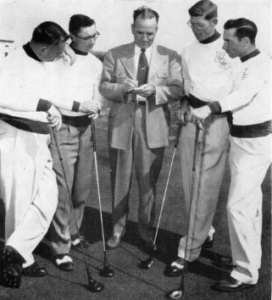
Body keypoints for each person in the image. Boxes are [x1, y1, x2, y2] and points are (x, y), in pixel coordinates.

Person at [0, 21, 95, 289]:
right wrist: (43, 105)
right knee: (19, 202)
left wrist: (78, 105)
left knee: (47, 199)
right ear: (42, 47)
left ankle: (15, 251)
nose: (61, 55)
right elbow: (2, 95)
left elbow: (54, 94)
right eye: (58, 50)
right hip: (15, 137)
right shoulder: (14, 61)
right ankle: (20, 262)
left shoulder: (46, 59)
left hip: (39, 138)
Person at [191, 18, 271, 292]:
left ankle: (246, 273)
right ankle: (250, 264)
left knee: (237, 206)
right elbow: (226, 90)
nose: (223, 44)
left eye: (228, 40)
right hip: (239, 139)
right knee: (249, 206)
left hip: (256, 142)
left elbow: (243, 96)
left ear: (245, 41)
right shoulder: (240, 63)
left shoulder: (260, 64)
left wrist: (209, 108)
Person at [99, 6, 183, 251]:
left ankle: (146, 232)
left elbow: (178, 89)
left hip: (154, 127)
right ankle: (117, 229)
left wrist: (156, 90)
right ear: (132, 29)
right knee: (119, 182)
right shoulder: (115, 54)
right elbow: (104, 87)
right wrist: (122, 88)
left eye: (150, 33)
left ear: (157, 30)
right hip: (122, 125)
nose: (145, 38)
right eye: (140, 33)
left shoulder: (170, 56)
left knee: (148, 184)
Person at [165, 0, 239, 277]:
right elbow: (186, 87)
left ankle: (189, 249)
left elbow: (237, 92)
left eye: (200, 24)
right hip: (190, 121)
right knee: (189, 182)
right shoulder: (188, 51)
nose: (195, 29)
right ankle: (203, 230)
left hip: (217, 122)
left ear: (214, 21)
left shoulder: (230, 51)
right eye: (191, 24)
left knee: (205, 185)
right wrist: (184, 103)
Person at [48, 14, 103, 271]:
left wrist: (97, 108)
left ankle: (72, 232)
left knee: (81, 190)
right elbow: (52, 95)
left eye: (95, 35)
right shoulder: (59, 60)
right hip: (64, 129)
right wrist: (80, 105)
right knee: (63, 191)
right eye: (87, 37)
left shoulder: (94, 63)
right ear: (71, 37)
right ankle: (60, 247)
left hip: (86, 130)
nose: (92, 41)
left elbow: (96, 93)